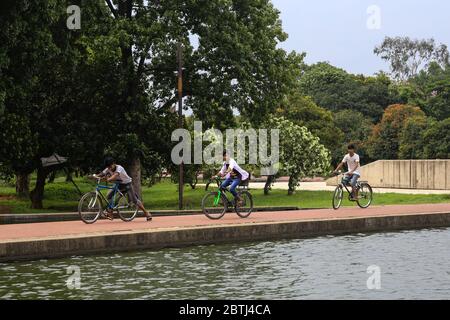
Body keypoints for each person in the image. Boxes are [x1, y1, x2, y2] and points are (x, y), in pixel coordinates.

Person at [96, 157, 152, 221]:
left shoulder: (119, 168)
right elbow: (102, 174)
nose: (109, 168)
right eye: (108, 167)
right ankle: (110, 212)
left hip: (127, 184)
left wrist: (109, 179)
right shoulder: (108, 168)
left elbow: (115, 175)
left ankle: (146, 213)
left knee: (134, 200)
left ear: (114, 163)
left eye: (110, 166)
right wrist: (95, 176)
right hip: (118, 184)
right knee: (109, 196)